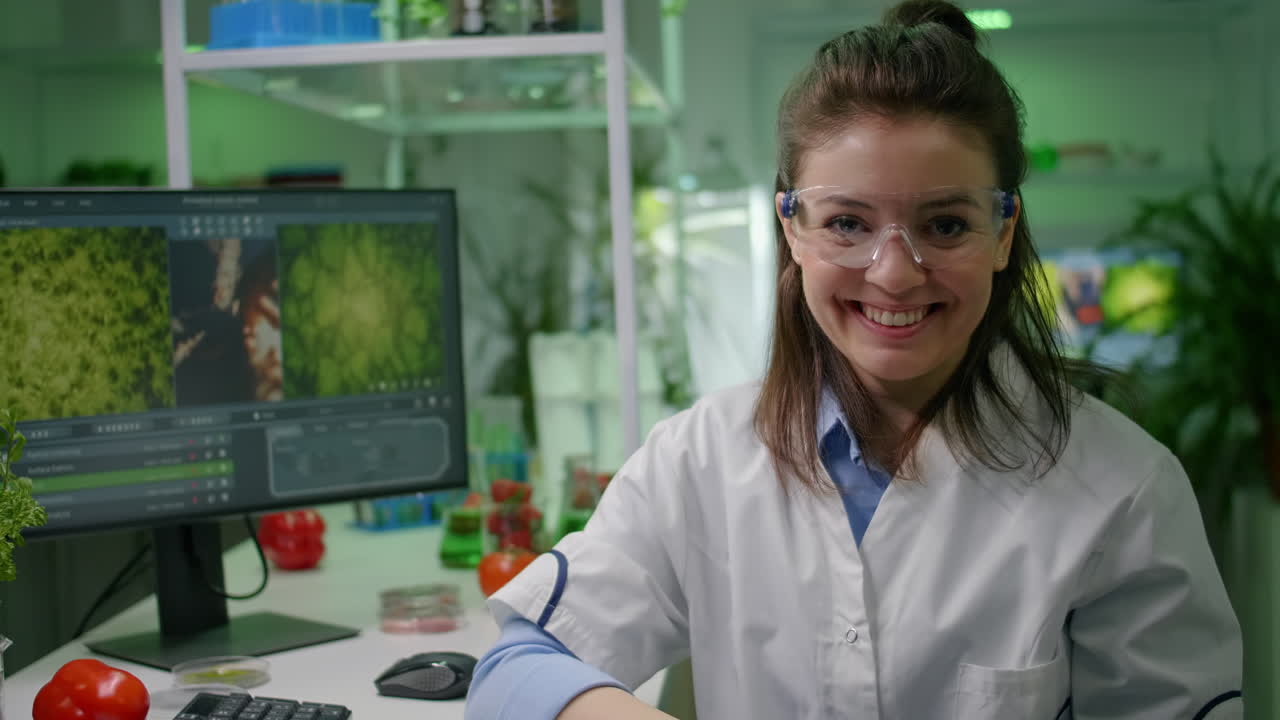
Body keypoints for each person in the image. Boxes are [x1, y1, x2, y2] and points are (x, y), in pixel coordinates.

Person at [464, 1, 1244, 718]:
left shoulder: (1123, 489)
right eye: (846, 222)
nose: (895, 272)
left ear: (1004, 233)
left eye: (944, 225)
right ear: (792, 230)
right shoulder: (698, 461)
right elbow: (518, 667)